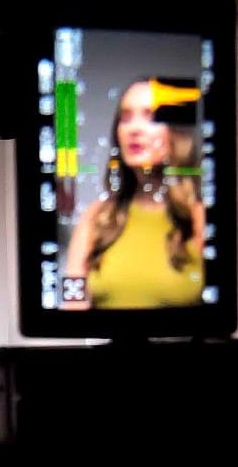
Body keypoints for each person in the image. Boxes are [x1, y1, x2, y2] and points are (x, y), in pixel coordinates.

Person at [64, 77, 205, 310]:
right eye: (126, 117)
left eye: (150, 116)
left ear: (177, 132)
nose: (135, 129)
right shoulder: (96, 216)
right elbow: (72, 302)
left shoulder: (200, 219)